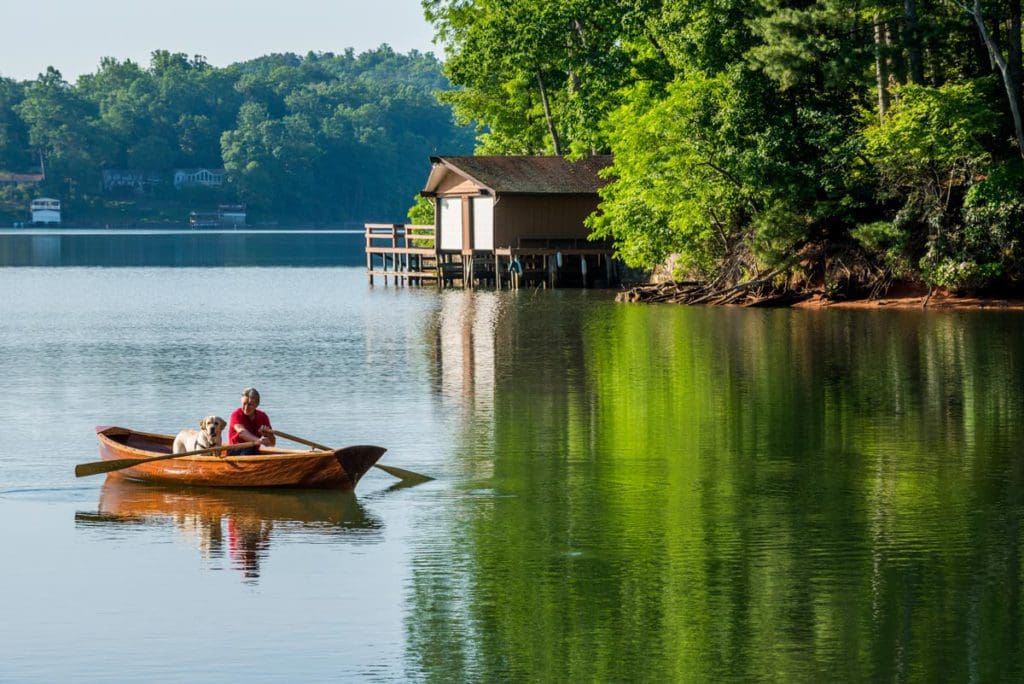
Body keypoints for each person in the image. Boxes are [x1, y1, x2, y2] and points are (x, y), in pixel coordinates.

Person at [227, 387, 276, 455]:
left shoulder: (263, 416)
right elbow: (242, 433)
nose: (246, 408)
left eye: (250, 404)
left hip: (253, 450)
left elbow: (272, 444)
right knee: (249, 450)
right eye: (244, 403)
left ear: (256, 405)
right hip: (235, 450)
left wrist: (267, 435)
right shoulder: (236, 415)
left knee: (251, 450)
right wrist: (258, 441)